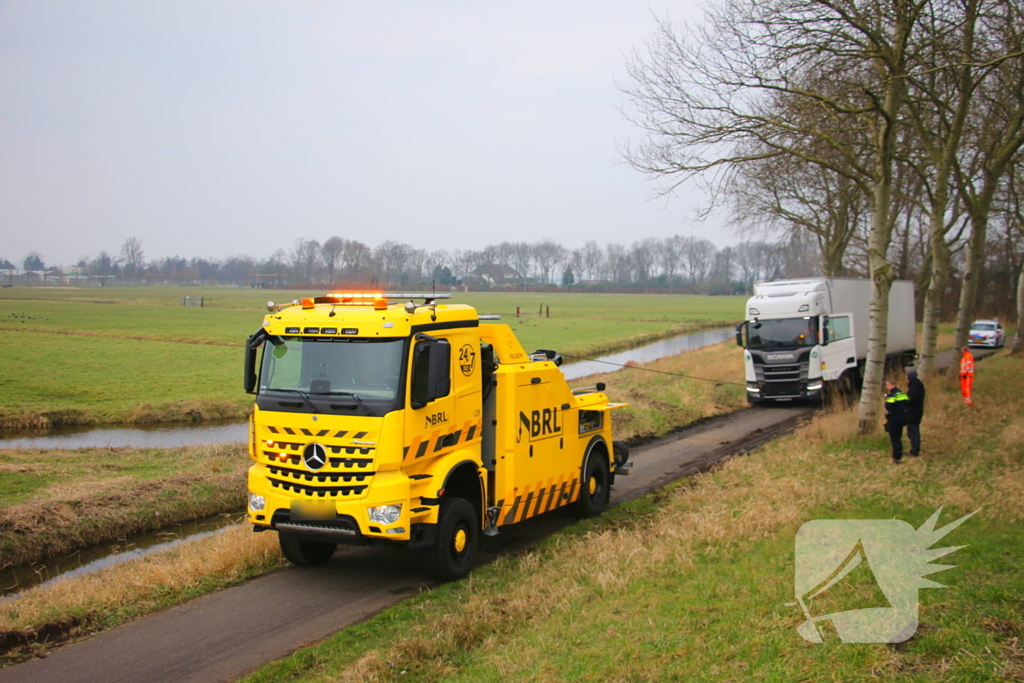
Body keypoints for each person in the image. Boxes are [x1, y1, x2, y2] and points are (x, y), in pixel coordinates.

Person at [884, 379, 909, 464]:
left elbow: (888, 406)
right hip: (902, 418)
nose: (886, 387)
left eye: (888, 385)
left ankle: (896, 457)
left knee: (895, 438)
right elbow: (907, 404)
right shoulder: (902, 394)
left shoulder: (891, 395)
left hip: (894, 419)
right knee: (899, 436)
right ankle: (900, 453)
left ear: (893, 385)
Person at [905, 370, 925, 456]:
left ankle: (914, 450)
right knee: (914, 430)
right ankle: (915, 448)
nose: (906, 379)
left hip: (913, 412)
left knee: (912, 432)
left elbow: (910, 400)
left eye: (907, 378)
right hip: (917, 411)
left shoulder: (914, 388)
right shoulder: (918, 386)